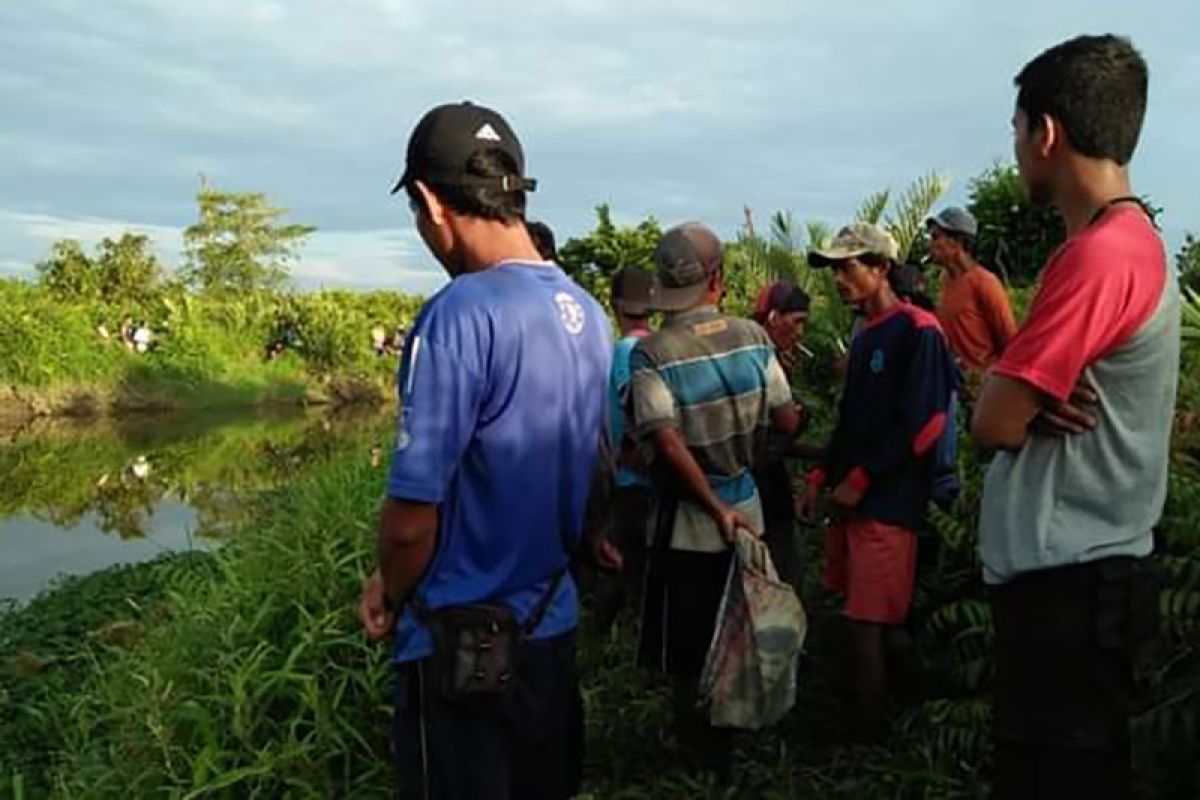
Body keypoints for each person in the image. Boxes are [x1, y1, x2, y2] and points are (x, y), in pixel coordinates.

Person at [356, 101, 611, 800]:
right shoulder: (588, 314)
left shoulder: (459, 313)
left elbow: (412, 518)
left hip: (459, 651)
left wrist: (388, 585)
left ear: (431, 203)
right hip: (548, 630)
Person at [971, 35, 1178, 799]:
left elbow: (994, 421)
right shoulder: (1125, 246)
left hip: (1073, 592)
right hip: (1084, 586)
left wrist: (1016, 399)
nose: (1019, 147)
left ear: (1046, 132)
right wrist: (1028, 397)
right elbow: (1014, 404)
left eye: (1018, 129)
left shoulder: (1101, 257)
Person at [629, 222, 802, 773]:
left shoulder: (652, 354)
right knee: (739, 624)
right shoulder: (753, 338)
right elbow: (786, 417)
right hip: (746, 511)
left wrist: (709, 505)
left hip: (688, 524)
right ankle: (736, 736)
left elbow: (666, 438)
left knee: (688, 642)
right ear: (717, 277)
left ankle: (695, 748)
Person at [798, 222, 956, 741]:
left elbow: (927, 423)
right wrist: (822, 474)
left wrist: (862, 479)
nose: (839, 279)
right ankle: (893, 713)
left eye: (848, 267)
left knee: (869, 621)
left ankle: (870, 738)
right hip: (855, 500)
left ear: (881, 267)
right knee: (862, 614)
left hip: (889, 503)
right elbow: (851, 419)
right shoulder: (865, 336)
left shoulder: (919, 331)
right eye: (835, 269)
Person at [591, 266, 656, 635]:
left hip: (632, 478)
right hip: (654, 477)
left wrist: (633, 446)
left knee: (617, 564)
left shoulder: (625, 350)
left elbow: (634, 402)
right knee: (640, 566)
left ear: (615, 305)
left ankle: (599, 642)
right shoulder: (658, 345)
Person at [749, 280, 812, 586]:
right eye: (796, 322)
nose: (800, 333)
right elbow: (787, 422)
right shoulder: (763, 353)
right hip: (760, 471)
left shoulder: (744, 345)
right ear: (774, 317)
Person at [926, 206, 1018, 375]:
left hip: (981, 385)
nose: (930, 244)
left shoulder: (984, 283)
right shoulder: (944, 281)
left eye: (936, 237)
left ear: (956, 243)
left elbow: (1009, 342)